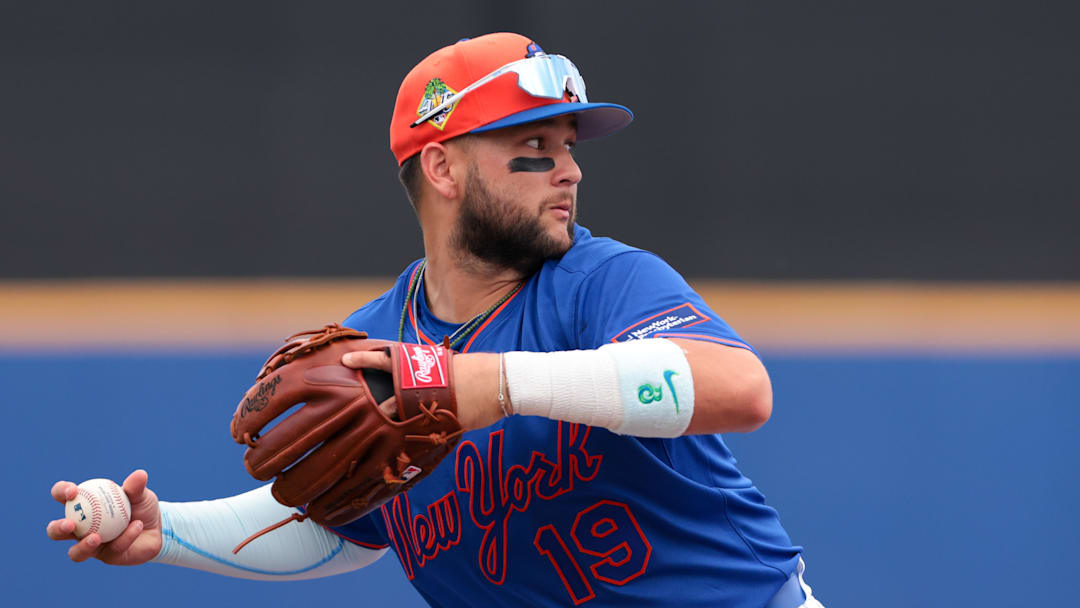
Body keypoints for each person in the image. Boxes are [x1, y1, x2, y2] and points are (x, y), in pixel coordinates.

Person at [47, 33, 824, 608]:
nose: (571, 169)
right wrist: (168, 531)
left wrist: (485, 384)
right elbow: (340, 526)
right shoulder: (374, 346)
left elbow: (740, 387)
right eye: (533, 146)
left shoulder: (599, 281)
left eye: (568, 145)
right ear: (443, 166)